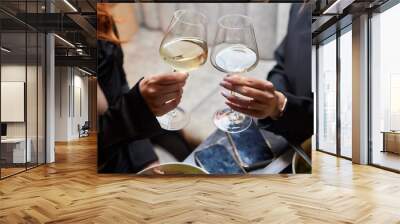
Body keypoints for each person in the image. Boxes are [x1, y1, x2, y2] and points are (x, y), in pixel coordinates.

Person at [97, 4, 192, 173]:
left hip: (122, 133)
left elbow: (119, 86)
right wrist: (136, 109)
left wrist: (145, 157)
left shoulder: (100, 18)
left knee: (178, 141)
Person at [220, 3, 313, 146]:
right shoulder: (299, 4)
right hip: (280, 125)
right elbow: (281, 63)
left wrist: (280, 105)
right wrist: (273, 97)